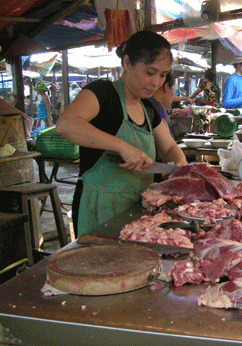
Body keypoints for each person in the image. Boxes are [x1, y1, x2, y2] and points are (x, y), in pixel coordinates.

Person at [56, 30, 187, 236]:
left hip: (139, 208)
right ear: (127, 63)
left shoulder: (148, 108)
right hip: (101, 210)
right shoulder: (102, 93)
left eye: (162, 75)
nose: (156, 82)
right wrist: (121, 147)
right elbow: (66, 125)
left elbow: (169, 147)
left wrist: (179, 165)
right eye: (150, 72)